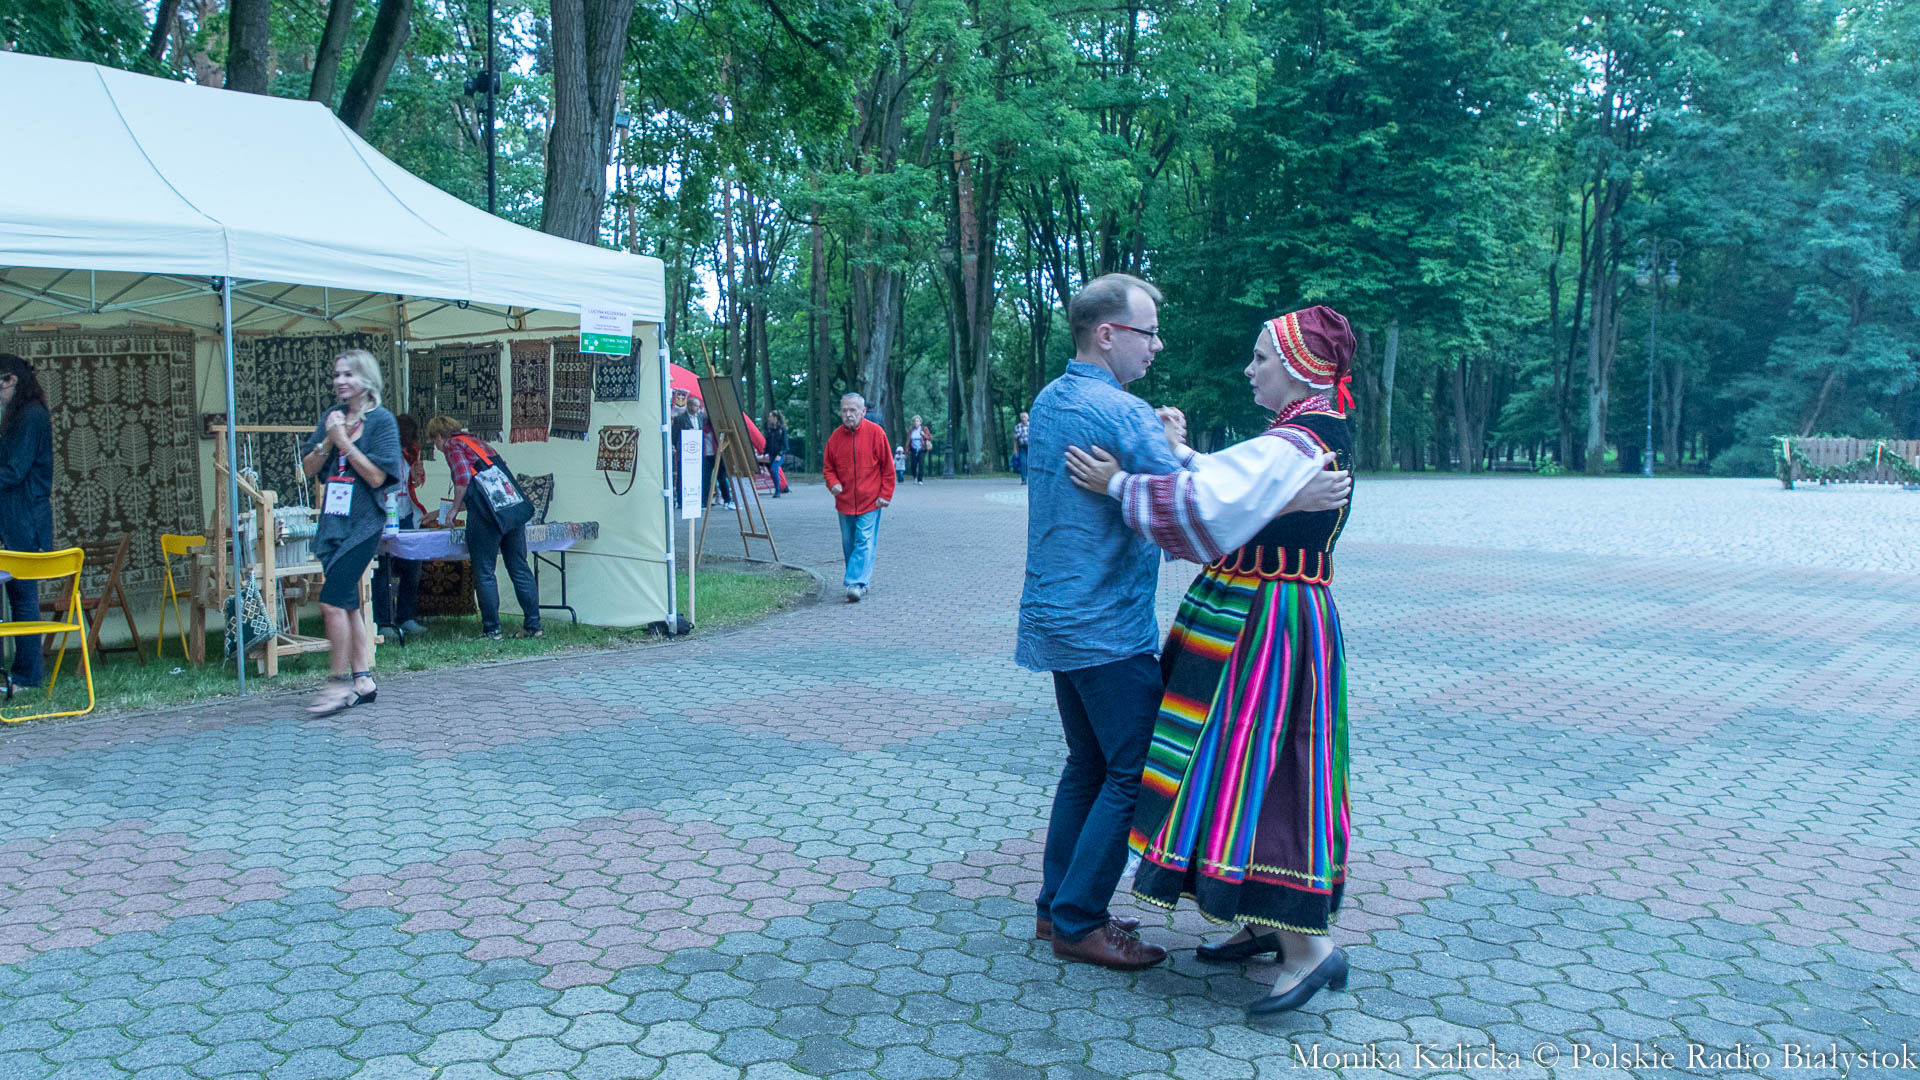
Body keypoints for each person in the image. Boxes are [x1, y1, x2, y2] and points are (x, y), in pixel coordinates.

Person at [1019, 276, 1351, 973]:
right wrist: (1290, 503)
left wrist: (1259, 489)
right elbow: (1195, 514)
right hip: (1109, 626)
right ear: (1108, 334)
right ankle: (1078, 919)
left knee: (1087, 764)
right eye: (1148, 332)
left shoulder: (1049, 401)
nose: (1158, 345)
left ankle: (1056, 908)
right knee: (1135, 770)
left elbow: (1211, 487)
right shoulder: (1126, 413)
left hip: (1054, 617)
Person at [299, 350, 404, 715]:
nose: (340, 381)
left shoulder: (381, 421)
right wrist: (329, 440)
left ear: (366, 380)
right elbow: (309, 468)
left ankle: (337, 683)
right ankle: (363, 681)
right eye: (337, 374)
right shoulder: (333, 416)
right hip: (334, 521)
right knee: (347, 602)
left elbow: (377, 477)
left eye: (348, 375)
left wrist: (344, 442)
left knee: (331, 601)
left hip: (363, 523)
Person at [425, 416, 542, 642]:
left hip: (486, 518)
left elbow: (463, 481)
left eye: (434, 442)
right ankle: (533, 625)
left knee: (485, 571)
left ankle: (492, 629)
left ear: (439, 436)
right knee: (519, 567)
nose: (437, 447)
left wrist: (453, 510)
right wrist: (446, 510)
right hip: (510, 509)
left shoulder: (453, 445)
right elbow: (485, 489)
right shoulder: (479, 444)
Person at [0, 354, 53, 695]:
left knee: (22, 599)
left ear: (11, 380)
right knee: (19, 598)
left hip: (23, 518)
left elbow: (15, 471)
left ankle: (28, 678)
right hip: (13, 515)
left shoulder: (31, 415)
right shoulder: (19, 415)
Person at [822, 393, 893, 603]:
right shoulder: (835, 438)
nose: (848, 414)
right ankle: (860, 581)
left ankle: (855, 583)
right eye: (844, 410)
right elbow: (828, 468)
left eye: (853, 410)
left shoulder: (876, 433)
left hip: (870, 500)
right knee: (849, 543)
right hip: (844, 502)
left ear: (863, 411)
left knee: (864, 539)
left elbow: (888, 468)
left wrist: (885, 494)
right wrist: (833, 483)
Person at [372, 414, 426, 642]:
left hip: (405, 514)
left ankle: (405, 616)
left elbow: (407, 483)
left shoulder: (407, 454)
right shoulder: (381, 453)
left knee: (412, 565)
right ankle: (383, 621)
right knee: (382, 569)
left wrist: (414, 475)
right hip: (383, 515)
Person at [763, 410, 790, 497]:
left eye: (770, 416)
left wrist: (780, 454)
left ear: (775, 418)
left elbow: (785, 445)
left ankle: (777, 491)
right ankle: (777, 489)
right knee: (773, 471)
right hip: (772, 454)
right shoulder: (770, 430)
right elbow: (768, 442)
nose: (769, 418)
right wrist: (765, 452)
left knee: (774, 469)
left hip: (779, 454)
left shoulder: (782, 429)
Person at [908, 415, 932, 483]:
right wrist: (907, 449)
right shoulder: (911, 430)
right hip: (913, 449)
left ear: (920, 422)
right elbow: (908, 440)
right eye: (915, 421)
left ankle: (920, 479)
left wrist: (923, 434)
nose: (916, 423)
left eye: (917, 421)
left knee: (921, 464)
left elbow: (929, 437)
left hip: (922, 449)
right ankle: (915, 477)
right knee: (913, 464)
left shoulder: (924, 429)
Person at [1012, 410, 1031, 483]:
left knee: (1031, 463)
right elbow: (1015, 439)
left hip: (1030, 447)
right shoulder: (1018, 426)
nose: (1023, 418)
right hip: (1022, 446)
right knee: (1023, 462)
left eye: (1025, 417)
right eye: (1022, 417)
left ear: (1028, 418)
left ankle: (1032, 479)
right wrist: (1015, 449)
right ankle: (1024, 479)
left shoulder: (1031, 425)